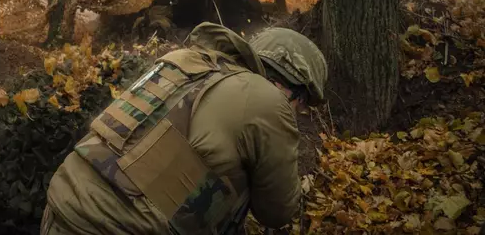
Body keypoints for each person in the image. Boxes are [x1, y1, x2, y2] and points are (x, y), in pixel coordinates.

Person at [41, 22, 328, 235]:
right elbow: (277, 212)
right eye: (301, 107)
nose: (297, 114)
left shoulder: (183, 62)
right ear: (295, 91)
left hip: (60, 207)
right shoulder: (268, 100)